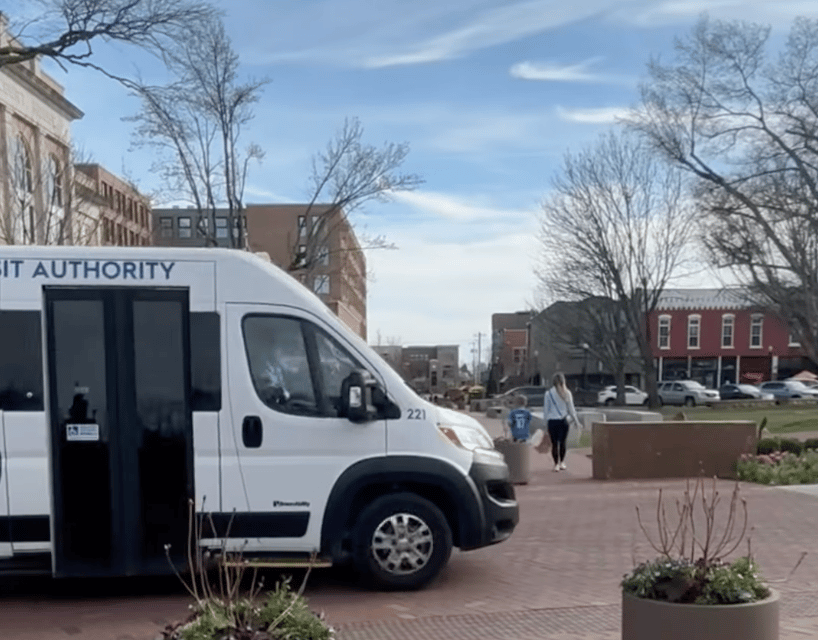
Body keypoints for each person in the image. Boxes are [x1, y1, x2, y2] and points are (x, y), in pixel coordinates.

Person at [544, 372, 580, 472]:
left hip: (552, 421)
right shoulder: (567, 393)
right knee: (563, 443)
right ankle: (562, 463)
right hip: (563, 420)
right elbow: (571, 409)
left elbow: (546, 410)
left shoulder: (548, 394)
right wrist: (576, 421)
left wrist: (545, 423)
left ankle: (555, 464)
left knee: (554, 444)